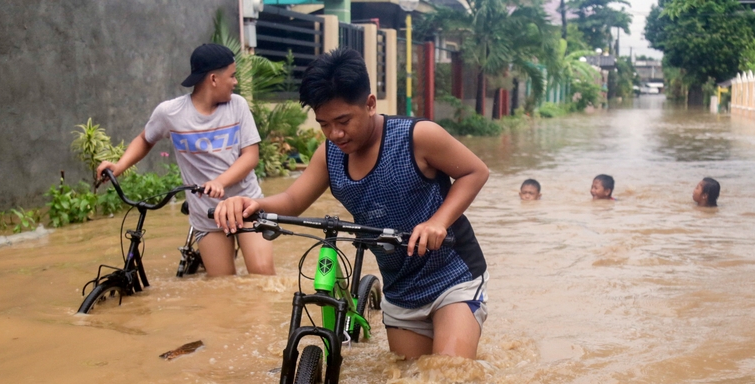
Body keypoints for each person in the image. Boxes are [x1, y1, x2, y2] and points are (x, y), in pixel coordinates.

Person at [213, 48, 489, 360]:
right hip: (400, 290)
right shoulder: (329, 156)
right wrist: (249, 203)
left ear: (370, 104)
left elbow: (475, 171)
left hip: (453, 277)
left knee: (447, 376)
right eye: (324, 124)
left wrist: (438, 221)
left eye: (343, 120)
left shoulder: (417, 137)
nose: (335, 134)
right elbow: (291, 200)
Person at [96, 43, 274, 277]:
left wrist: (220, 181)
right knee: (223, 286)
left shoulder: (237, 106)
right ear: (213, 79)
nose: (235, 82)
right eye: (232, 76)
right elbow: (145, 139)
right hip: (207, 213)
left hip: (246, 205)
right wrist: (119, 166)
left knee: (262, 275)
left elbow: (251, 156)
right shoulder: (170, 113)